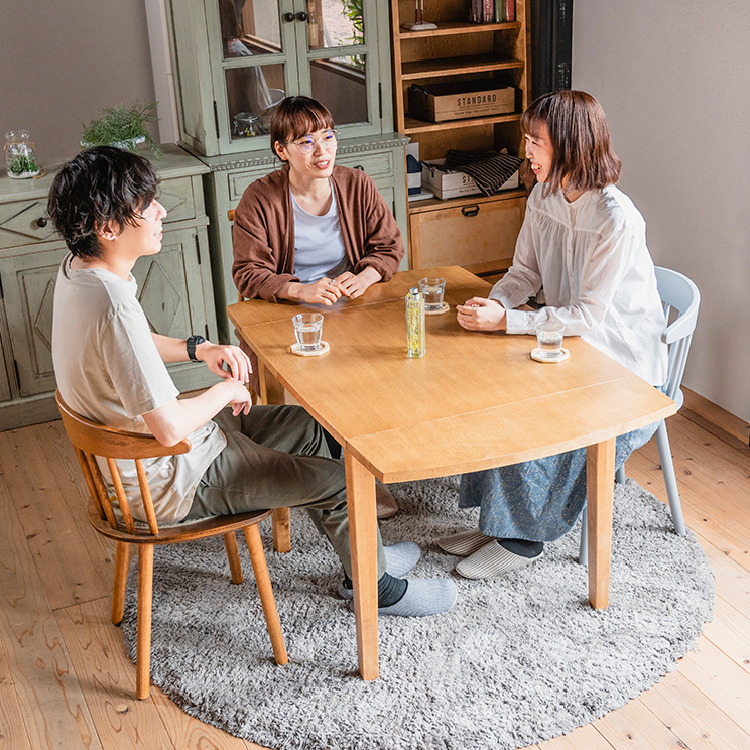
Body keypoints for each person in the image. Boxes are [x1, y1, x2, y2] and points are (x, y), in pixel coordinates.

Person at [48, 146, 456, 617]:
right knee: (344, 482)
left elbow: (132, 341)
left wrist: (198, 349)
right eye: (145, 205)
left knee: (314, 427)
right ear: (108, 228)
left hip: (161, 454)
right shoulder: (111, 305)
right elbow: (168, 428)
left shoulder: (81, 273)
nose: (160, 210)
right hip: (169, 476)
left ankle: (367, 558)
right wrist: (225, 390)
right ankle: (377, 590)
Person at [440, 90, 668, 580]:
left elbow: (588, 316)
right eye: (527, 139)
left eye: (536, 140)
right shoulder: (542, 196)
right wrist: (497, 303)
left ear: (569, 144)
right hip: (568, 338)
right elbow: (524, 272)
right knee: (493, 382)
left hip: (621, 359)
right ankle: (497, 521)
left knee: (535, 399)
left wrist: (511, 323)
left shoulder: (615, 218)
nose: (527, 150)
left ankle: (525, 539)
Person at [232, 95, 405, 518]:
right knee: (330, 392)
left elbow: (390, 247)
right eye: (306, 142)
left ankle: (376, 466)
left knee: (392, 367)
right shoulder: (260, 197)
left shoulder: (356, 184)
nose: (322, 150)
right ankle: (344, 481)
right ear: (281, 150)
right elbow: (248, 274)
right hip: (289, 317)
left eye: (328, 137)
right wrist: (300, 290)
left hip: (354, 308)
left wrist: (364, 276)